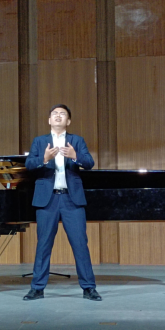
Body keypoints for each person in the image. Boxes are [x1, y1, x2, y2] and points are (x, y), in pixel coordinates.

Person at [23, 104, 102, 301]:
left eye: (62, 114)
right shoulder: (39, 141)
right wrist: (44, 159)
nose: (58, 116)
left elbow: (89, 163)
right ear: (49, 120)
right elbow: (29, 164)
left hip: (71, 199)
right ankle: (37, 288)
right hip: (47, 200)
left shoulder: (77, 140)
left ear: (68, 121)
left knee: (80, 244)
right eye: (54, 114)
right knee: (43, 244)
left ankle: (89, 288)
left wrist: (75, 156)